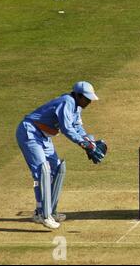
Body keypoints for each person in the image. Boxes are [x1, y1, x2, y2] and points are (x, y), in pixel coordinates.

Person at [16, 81, 106, 229]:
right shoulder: (67, 102)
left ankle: (51, 211)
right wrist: (83, 144)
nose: (89, 102)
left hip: (44, 137)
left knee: (57, 168)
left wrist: (90, 142)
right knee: (42, 171)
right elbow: (66, 129)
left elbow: (77, 127)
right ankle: (42, 214)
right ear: (77, 95)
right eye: (87, 98)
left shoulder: (77, 106)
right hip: (30, 133)